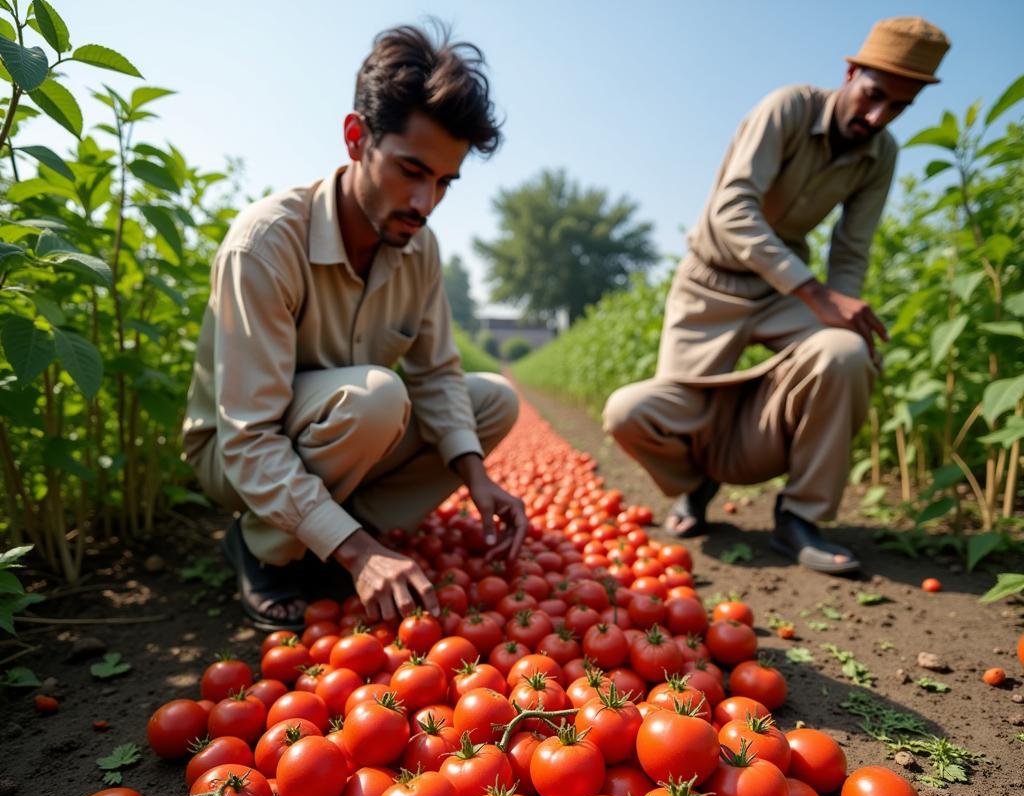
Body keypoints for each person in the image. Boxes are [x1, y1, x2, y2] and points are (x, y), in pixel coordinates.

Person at [183, 24, 527, 628]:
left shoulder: (419, 248)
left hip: (337, 432)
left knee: (490, 402)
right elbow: (246, 436)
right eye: (411, 170)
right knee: (375, 398)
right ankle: (265, 550)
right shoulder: (265, 245)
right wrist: (360, 554)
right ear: (355, 138)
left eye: (444, 182)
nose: (424, 202)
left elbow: (439, 375)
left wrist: (478, 480)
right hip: (236, 453)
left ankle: (333, 525)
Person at [603, 17, 950, 574]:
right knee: (644, 413)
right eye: (873, 96)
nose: (877, 118)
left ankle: (799, 516)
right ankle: (694, 488)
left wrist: (840, 311)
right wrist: (815, 294)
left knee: (846, 354)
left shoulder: (880, 156)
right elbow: (732, 209)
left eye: (898, 109)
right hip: (710, 283)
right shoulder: (787, 109)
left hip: (780, 292)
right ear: (850, 72)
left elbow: (851, 250)